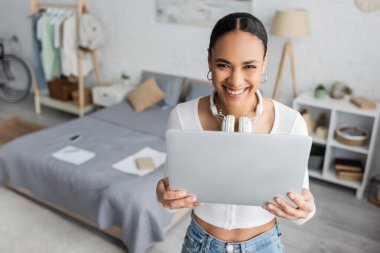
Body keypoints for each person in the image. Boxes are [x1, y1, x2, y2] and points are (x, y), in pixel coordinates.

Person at [156, 12, 316, 253]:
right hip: (200, 244)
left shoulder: (292, 122)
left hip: (264, 246)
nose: (235, 80)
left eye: (249, 66)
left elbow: (301, 207)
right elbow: (173, 196)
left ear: (264, 63)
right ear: (209, 60)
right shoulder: (182, 116)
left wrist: (306, 210)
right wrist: (165, 199)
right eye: (223, 65)